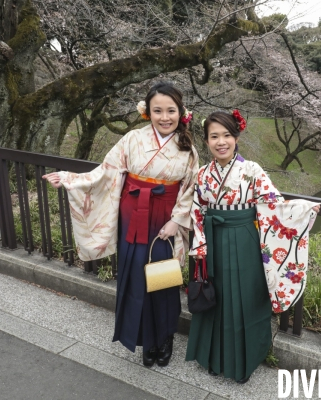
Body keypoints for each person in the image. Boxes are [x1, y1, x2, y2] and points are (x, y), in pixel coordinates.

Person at [43, 82, 199, 367]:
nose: (165, 117)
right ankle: (144, 340)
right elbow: (107, 173)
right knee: (136, 276)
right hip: (133, 215)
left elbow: (190, 188)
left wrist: (177, 220)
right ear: (147, 112)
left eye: (171, 110)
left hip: (166, 218)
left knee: (163, 278)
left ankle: (164, 338)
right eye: (158, 111)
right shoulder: (132, 140)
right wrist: (69, 179)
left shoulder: (187, 148)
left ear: (181, 112)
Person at [185, 110, 319, 383]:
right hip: (213, 239)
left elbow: (274, 204)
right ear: (206, 140)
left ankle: (242, 362)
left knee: (244, 298)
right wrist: (200, 243)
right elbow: (197, 210)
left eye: (226, 135)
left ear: (236, 137)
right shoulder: (202, 174)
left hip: (244, 239)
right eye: (214, 136)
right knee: (217, 299)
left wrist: (302, 211)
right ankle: (214, 357)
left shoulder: (252, 170)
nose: (221, 142)